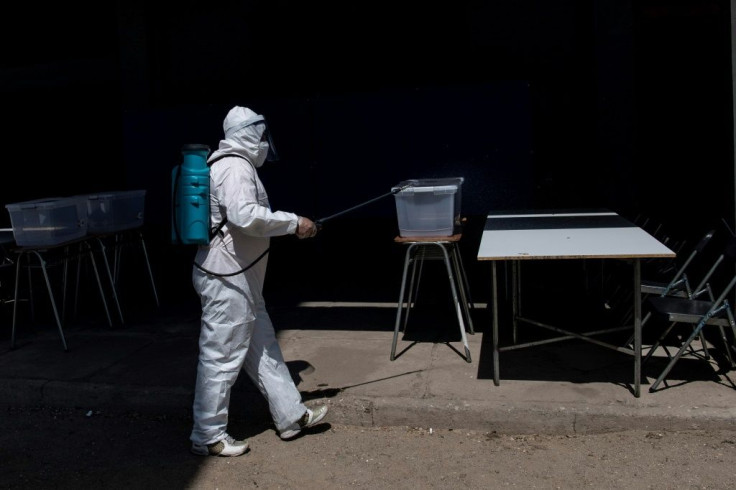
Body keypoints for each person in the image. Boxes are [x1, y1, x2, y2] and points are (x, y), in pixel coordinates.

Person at [189, 105, 328, 457]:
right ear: (248, 134)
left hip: (240, 280)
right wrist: (294, 222)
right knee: (220, 357)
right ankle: (207, 435)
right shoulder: (234, 166)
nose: (265, 141)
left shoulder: (233, 163)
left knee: (264, 347)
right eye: (261, 134)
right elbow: (244, 217)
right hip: (227, 280)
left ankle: (291, 416)